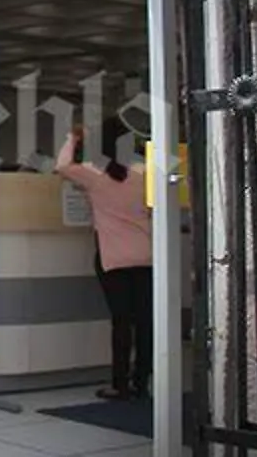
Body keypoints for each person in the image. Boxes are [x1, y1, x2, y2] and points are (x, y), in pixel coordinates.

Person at [56, 117, 152, 400]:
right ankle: (142, 382)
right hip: (146, 256)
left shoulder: (94, 174)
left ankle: (120, 385)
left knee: (122, 322)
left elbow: (62, 166)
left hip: (113, 258)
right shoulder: (144, 173)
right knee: (145, 322)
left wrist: (73, 139)